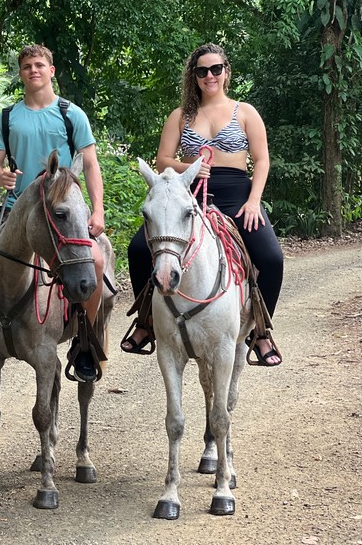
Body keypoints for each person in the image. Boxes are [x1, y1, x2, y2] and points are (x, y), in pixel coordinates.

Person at [0, 44, 107, 382]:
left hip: (61, 206)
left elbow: (90, 163)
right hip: (15, 207)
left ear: (51, 70)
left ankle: (85, 342)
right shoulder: (8, 117)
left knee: (97, 261)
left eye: (39, 65)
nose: (33, 70)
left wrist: (97, 210)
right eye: (27, 66)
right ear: (21, 74)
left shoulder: (70, 113)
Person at [121, 42, 283, 366]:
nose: (209, 75)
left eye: (215, 69)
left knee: (272, 257)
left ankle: (260, 331)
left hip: (238, 194)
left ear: (226, 72)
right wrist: (187, 167)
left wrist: (254, 202)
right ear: (194, 76)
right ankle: (145, 322)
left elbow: (262, 161)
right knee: (139, 249)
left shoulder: (245, 112)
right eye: (202, 71)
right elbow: (163, 160)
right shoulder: (181, 116)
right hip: (190, 193)